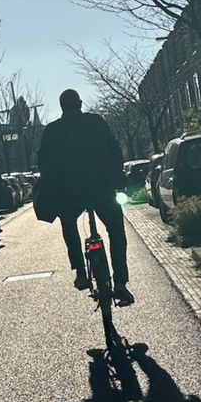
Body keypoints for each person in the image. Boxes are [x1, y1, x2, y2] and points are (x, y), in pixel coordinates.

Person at [37, 88, 134, 303]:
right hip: (100, 188)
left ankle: (80, 272)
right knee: (116, 229)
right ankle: (120, 282)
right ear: (80, 104)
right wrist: (117, 175)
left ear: (62, 107)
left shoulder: (52, 130)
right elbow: (114, 149)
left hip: (70, 193)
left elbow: (43, 162)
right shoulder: (95, 122)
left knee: (69, 224)